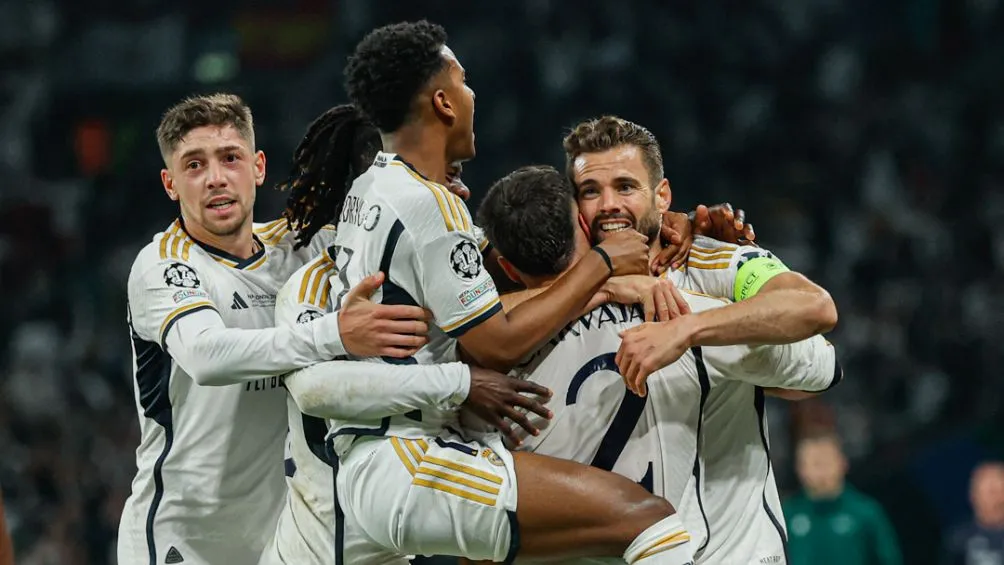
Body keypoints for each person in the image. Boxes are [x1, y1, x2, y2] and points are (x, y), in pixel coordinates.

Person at [281, 19, 704, 564]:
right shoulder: (428, 205)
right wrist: (602, 264)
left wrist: (680, 223)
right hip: (405, 456)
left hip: (384, 460)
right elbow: (496, 342)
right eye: (463, 81)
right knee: (648, 520)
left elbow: (491, 276)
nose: (472, 93)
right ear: (443, 103)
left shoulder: (373, 186)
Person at [118, 93, 427, 565]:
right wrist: (336, 334)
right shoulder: (163, 265)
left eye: (230, 158)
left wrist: (432, 192)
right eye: (194, 165)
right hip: (180, 542)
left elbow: (401, 240)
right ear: (170, 184)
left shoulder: (302, 247)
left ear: (258, 167)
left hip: (282, 540)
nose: (216, 177)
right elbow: (206, 356)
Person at [478, 165, 841, 565]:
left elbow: (477, 544)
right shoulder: (682, 319)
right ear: (584, 224)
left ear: (507, 268)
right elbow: (821, 365)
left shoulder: (484, 375)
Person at [559, 115, 838, 389]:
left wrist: (687, 329)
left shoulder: (715, 263)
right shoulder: (558, 279)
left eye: (625, 187)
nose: (608, 204)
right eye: (590, 191)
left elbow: (815, 306)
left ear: (662, 197)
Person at [784, 433, 902, 565]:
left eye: (827, 462)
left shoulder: (866, 512)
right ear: (800, 468)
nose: (822, 471)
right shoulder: (786, 514)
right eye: (815, 464)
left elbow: (889, 559)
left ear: (843, 464)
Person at [941, 461, 1004, 564]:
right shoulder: (958, 539)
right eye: (990, 491)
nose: (996, 499)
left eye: (1000, 490)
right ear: (973, 495)